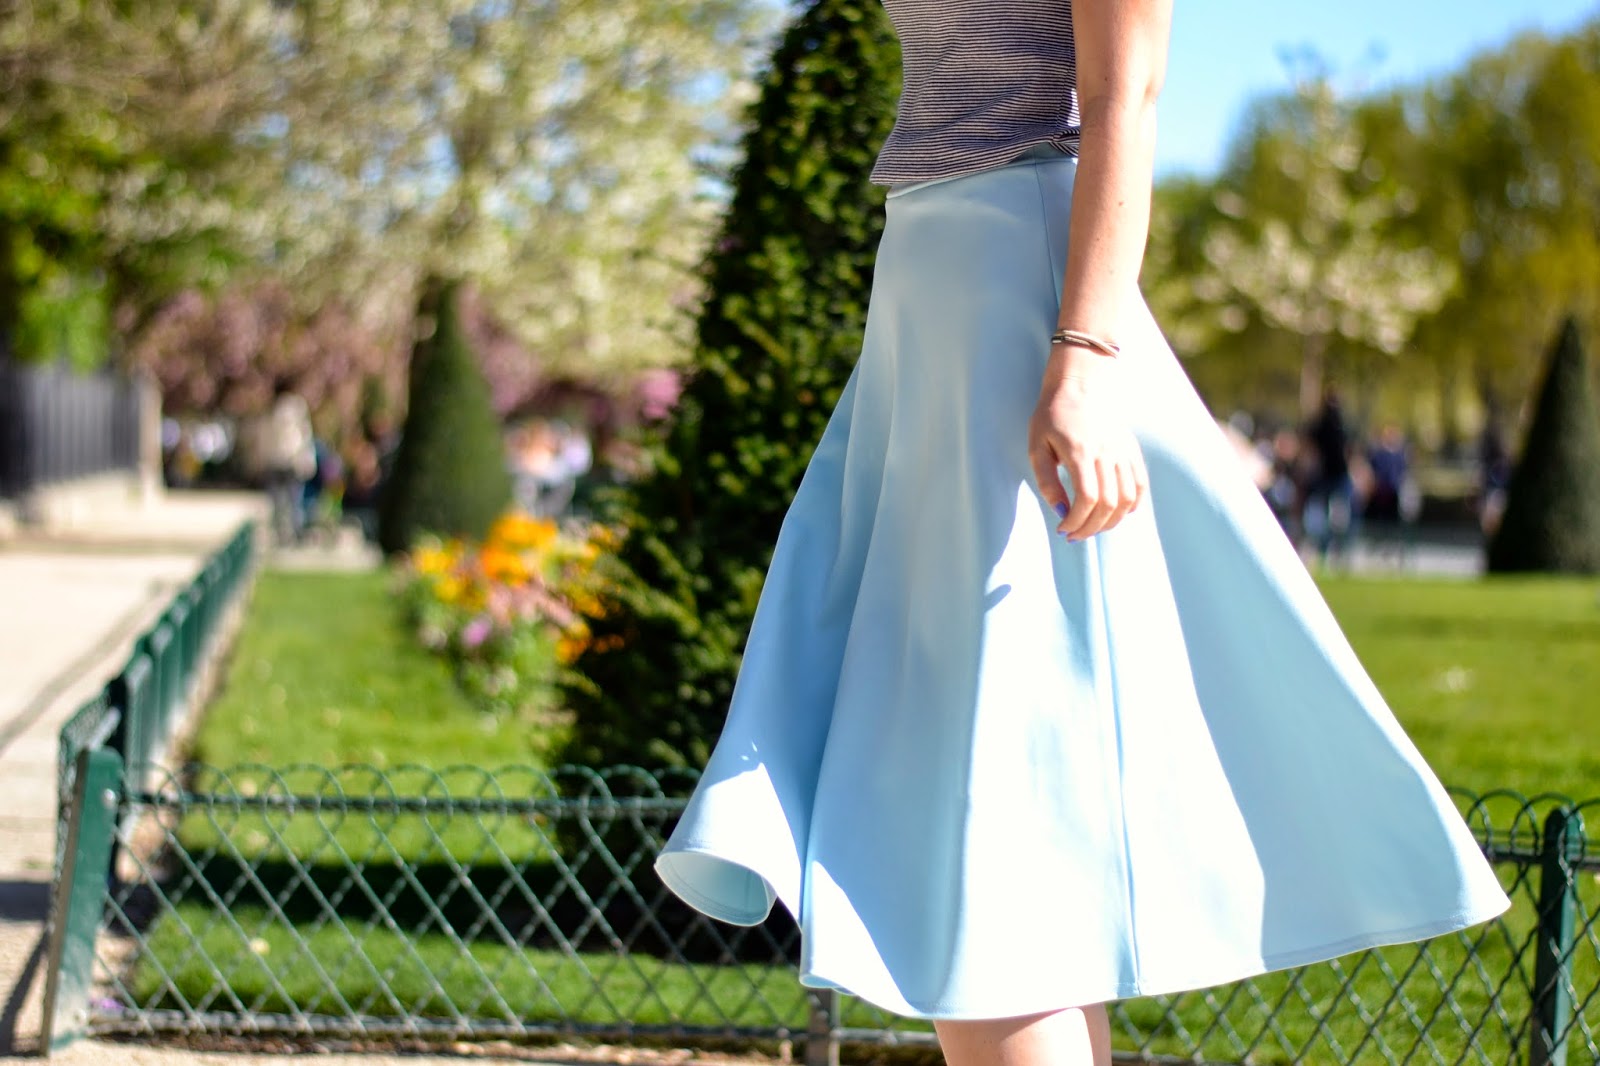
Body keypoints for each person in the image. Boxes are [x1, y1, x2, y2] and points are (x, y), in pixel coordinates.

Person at [653, 2, 1510, 1064]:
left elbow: (1125, 92)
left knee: (978, 820)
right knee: (981, 809)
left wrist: (1086, 352)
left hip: (1019, 294)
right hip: (930, 288)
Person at [260, 380, 316, 546]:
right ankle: (290, 533)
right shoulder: (297, 408)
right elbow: (304, 436)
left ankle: (282, 532)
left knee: (281, 499)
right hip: (288, 460)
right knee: (291, 499)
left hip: (279, 460)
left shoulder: (274, 409)